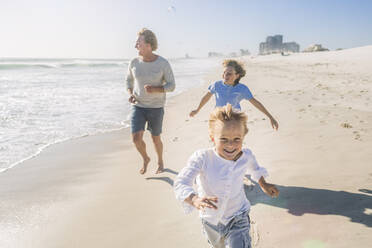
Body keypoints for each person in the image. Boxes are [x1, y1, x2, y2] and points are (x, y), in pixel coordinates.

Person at [174, 104, 279, 248]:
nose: (231, 145)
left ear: (243, 137)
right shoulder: (203, 158)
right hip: (210, 221)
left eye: (237, 139)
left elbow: (255, 169)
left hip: (238, 216)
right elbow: (181, 182)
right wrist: (194, 199)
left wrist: (263, 184)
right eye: (223, 139)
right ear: (213, 138)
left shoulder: (246, 156)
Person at [126, 28, 175, 174]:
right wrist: (130, 93)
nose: (135, 46)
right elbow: (128, 81)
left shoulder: (162, 63)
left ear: (149, 45)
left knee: (155, 138)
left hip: (156, 107)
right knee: (136, 138)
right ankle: (146, 158)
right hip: (138, 105)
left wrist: (156, 89)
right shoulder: (134, 62)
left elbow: (171, 85)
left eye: (138, 42)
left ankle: (160, 161)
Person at [189, 59, 279, 130]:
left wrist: (270, 117)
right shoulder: (216, 85)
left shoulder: (242, 89)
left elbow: (255, 102)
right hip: (219, 118)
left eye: (229, 74)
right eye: (224, 73)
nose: (225, 76)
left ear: (237, 76)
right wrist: (197, 110)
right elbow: (206, 97)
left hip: (235, 119)